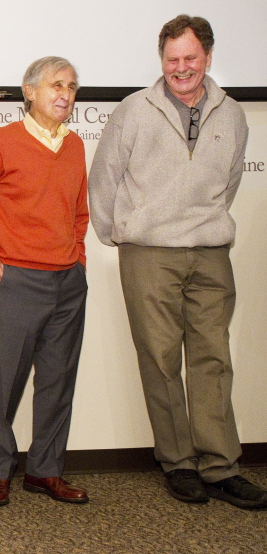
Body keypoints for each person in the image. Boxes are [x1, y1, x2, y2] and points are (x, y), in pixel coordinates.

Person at [89, 15, 267, 509]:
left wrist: (204, 223)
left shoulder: (231, 114)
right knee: (161, 359)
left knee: (214, 359)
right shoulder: (133, 111)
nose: (181, 68)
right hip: (148, 253)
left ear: (207, 57)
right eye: (172, 60)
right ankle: (179, 463)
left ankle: (220, 466)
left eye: (190, 58)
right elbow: (103, 179)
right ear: (161, 61)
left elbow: (228, 184)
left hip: (210, 253)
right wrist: (120, 234)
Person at [0, 57, 90, 507]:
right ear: (29, 92)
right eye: (55, 85)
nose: (64, 94)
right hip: (18, 282)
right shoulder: (0, 142)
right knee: (6, 381)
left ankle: (45, 471)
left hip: (68, 283)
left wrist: (79, 262)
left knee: (58, 381)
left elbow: (79, 214)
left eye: (71, 86)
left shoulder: (75, 146)